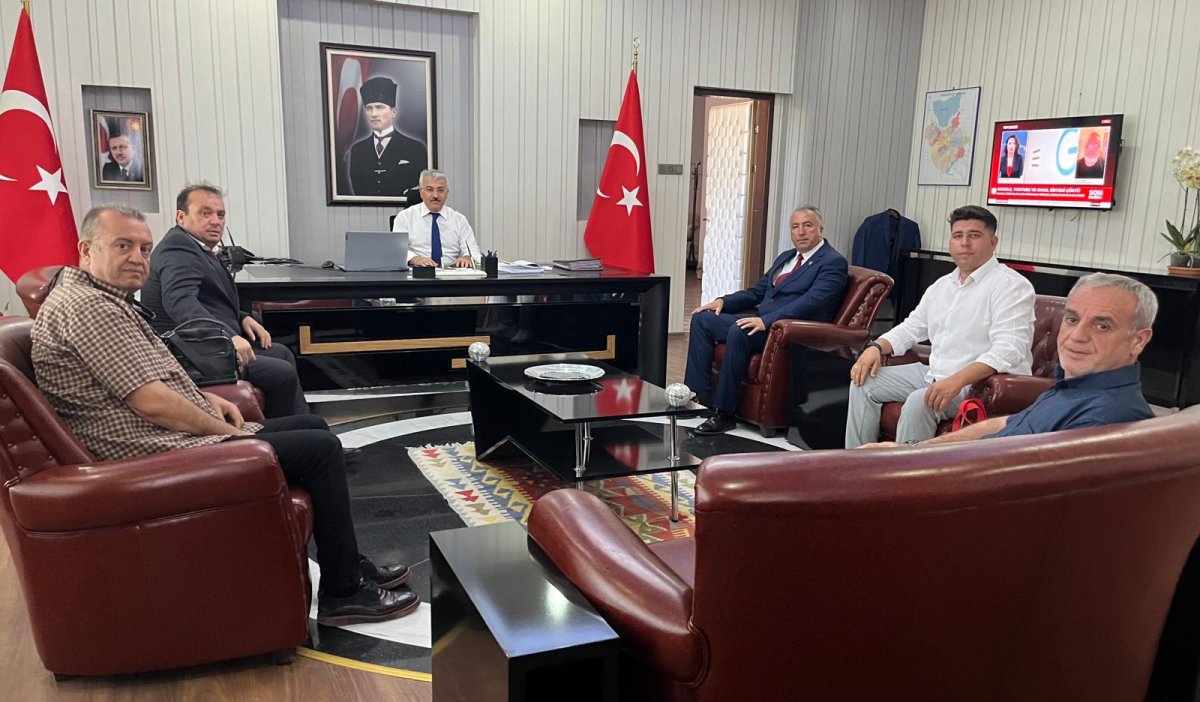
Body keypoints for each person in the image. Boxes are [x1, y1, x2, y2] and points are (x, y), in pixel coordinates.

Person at [30, 205, 419, 626]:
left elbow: (141, 377)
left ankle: (347, 563)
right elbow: (151, 402)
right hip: (151, 451)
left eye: (144, 248)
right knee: (320, 448)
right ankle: (343, 593)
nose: (138, 258)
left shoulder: (102, 298)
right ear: (86, 250)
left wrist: (202, 396)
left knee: (312, 425)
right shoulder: (90, 308)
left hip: (161, 434)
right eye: (123, 246)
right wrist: (228, 433)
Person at [862, 273, 1156, 447]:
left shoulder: (1102, 419)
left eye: (1102, 325)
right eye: (1072, 319)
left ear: (1138, 341)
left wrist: (909, 472)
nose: (1076, 336)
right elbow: (1011, 422)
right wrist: (917, 449)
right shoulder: (1073, 388)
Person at [845, 205, 1036, 447]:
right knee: (863, 381)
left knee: (920, 401)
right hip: (935, 373)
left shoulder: (1010, 286)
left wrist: (957, 380)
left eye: (974, 235)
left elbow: (1008, 350)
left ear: (993, 242)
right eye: (958, 236)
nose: (964, 243)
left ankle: (906, 470)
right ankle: (855, 461)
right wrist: (876, 347)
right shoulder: (942, 286)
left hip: (980, 385)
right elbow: (912, 327)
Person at [141, 183, 308, 419]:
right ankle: (290, 432)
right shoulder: (178, 249)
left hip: (206, 346)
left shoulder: (197, 246)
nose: (215, 221)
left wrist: (242, 317)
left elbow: (208, 300)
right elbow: (180, 303)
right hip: (191, 355)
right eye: (205, 213)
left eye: (220, 215)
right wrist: (228, 335)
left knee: (281, 353)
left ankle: (301, 426)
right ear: (181, 217)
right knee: (280, 371)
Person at [685, 206, 849, 435]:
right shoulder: (787, 257)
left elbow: (811, 302)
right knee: (703, 319)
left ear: (821, 229)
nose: (801, 232)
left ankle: (724, 413)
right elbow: (757, 292)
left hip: (791, 330)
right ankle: (698, 396)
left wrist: (768, 321)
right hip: (763, 322)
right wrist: (724, 301)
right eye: (795, 227)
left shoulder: (833, 262)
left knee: (739, 331)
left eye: (807, 225)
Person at [348, 76, 427, 202]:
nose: (374, 114)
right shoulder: (357, 150)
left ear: (393, 112)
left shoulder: (415, 148)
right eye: (369, 108)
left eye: (380, 107)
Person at [391, 169, 481, 268]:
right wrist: (415, 259)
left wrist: (467, 257)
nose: (435, 195)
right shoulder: (405, 217)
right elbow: (397, 249)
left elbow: (473, 250)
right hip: (418, 271)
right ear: (421, 192)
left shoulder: (459, 220)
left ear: (447, 193)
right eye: (429, 189)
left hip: (451, 271)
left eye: (440, 190)